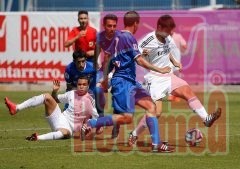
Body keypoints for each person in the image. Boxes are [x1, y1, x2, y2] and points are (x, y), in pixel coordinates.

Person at [81, 11, 174, 153]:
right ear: (136, 23)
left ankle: (157, 144)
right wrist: (159, 69)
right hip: (123, 82)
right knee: (127, 118)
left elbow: (110, 61)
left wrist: (104, 78)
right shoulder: (129, 37)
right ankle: (91, 123)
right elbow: (139, 60)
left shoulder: (116, 39)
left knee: (151, 106)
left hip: (130, 81)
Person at [127, 14, 222, 146]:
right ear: (159, 27)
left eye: (171, 31)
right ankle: (134, 134)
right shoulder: (147, 41)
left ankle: (206, 118)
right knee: (156, 112)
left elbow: (168, 52)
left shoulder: (168, 38)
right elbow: (137, 57)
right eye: (167, 30)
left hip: (169, 76)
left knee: (188, 91)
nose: (169, 33)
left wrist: (176, 62)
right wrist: (144, 55)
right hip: (154, 78)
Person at [4, 76, 99, 141]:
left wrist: (88, 128)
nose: (81, 86)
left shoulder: (89, 101)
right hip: (59, 118)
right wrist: (54, 91)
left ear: (88, 86)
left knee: (65, 133)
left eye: (84, 84)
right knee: (47, 96)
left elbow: (96, 119)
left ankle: (37, 138)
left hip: (69, 129)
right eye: (79, 84)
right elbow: (56, 99)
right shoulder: (72, 93)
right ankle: (16, 108)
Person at [94, 14, 120, 139]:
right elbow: (97, 51)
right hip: (105, 69)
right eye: (109, 26)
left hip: (119, 70)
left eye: (114, 26)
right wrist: (95, 65)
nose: (112, 28)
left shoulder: (120, 37)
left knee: (118, 98)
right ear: (104, 26)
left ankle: (116, 125)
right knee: (97, 90)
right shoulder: (100, 36)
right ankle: (100, 118)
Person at [65, 50, 105, 119]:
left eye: (83, 61)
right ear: (74, 61)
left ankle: (101, 114)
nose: (81, 64)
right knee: (67, 110)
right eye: (78, 62)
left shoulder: (92, 66)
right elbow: (69, 87)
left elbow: (101, 74)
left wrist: (99, 82)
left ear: (85, 60)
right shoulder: (69, 69)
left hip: (91, 91)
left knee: (99, 90)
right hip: (78, 92)